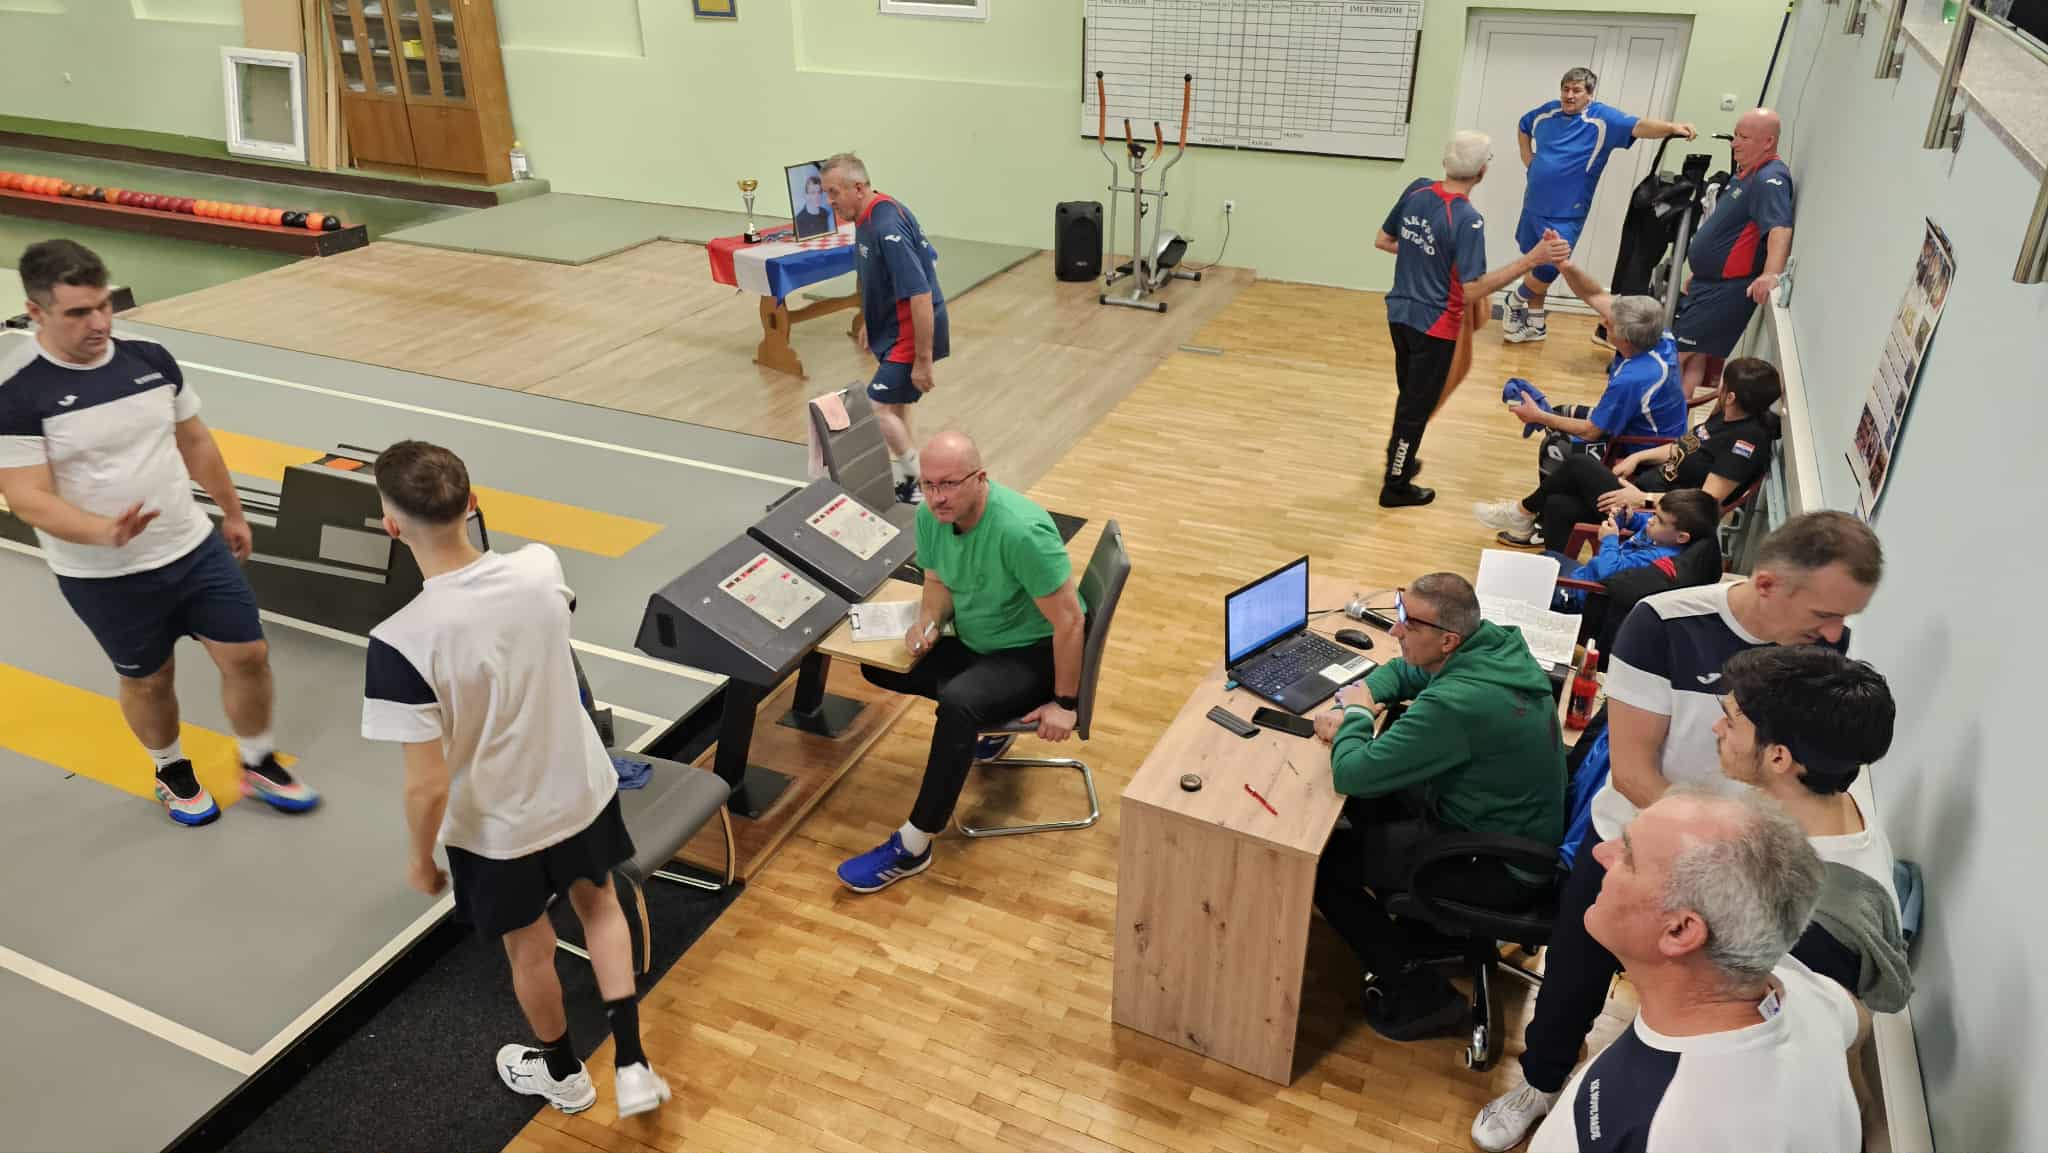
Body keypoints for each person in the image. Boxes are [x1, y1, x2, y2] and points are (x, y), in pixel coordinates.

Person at [1470, 511, 1884, 1152]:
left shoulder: (1822, 646)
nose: (1837, 635)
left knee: (1692, 1004)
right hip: (1641, 845)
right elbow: (1633, 771)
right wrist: (1708, 849)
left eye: (1845, 618)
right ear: (1769, 584)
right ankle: (1541, 1082)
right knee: (1573, 978)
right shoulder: (1663, 624)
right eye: (1826, 614)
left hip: (1731, 872)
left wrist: (1730, 868)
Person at [359, 440, 671, 1119]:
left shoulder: (398, 642)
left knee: (530, 949)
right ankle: (631, 1062)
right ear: (472, 504)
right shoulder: (540, 568)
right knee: (601, 906)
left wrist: (419, 858)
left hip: (498, 831)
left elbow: (426, 785)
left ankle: (564, 1074)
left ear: (391, 525)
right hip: (581, 791)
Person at [0, 239, 318, 826]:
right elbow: (25, 496)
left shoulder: (148, 358)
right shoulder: (17, 392)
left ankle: (256, 760)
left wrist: (232, 511)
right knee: (150, 681)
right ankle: (171, 772)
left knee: (248, 655)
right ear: (36, 311)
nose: (100, 323)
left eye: (104, 305)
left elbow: (193, 439)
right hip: (104, 574)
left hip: (191, 545)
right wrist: (102, 532)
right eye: (78, 313)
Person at [1526, 786, 1863, 1153]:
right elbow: (1858, 1018)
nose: (1601, 852)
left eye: (1629, 856)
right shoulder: (1803, 991)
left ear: (1680, 931)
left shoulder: (1657, 1128)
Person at [1310, 573, 1564, 1040]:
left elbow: (1352, 773)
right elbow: (1405, 670)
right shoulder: (1492, 647)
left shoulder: (1458, 703)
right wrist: (1363, 699)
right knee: (1368, 808)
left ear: (1448, 640)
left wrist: (1358, 714)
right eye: (1399, 612)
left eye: (1408, 623)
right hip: (1503, 823)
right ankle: (1426, 929)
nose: (1395, 630)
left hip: (1499, 865)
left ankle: (1422, 997)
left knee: (1325, 866)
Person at [836, 430, 1087, 892]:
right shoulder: (932, 517)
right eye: (929, 484)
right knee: (879, 665)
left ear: (980, 478)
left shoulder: (1020, 533)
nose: (938, 497)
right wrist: (928, 623)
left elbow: (1070, 622)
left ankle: (914, 844)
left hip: (1033, 653)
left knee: (958, 704)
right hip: (979, 639)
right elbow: (937, 582)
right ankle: (983, 722)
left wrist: (1065, 703)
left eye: (949, 484)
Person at [1375, 130, 1569, 508]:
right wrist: (1532, 259)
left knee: (1411, 399)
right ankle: (1395, 486)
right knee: (1415, 409)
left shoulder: (1416, 190)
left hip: (1399, 314)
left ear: (1445, 162)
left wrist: (1426, 256)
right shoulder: (1467, 219)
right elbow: (1470, 291)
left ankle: (1402, 460)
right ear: (1482, 172)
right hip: (1435, 327)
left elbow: (1384, 240)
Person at [1714, 646, 1910, 1011]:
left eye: (1730, 721)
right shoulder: (1834, 800)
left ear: (1778, 757)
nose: (1717, 728)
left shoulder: (1813, 927)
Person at [1476, 348, 1778, 550]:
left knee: (1578, 464)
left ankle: (1521, 512)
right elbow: (1682, 448)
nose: (1718, 389)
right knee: (1558, 504)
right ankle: (1558, 576)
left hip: (1653, 513)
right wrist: (1638, 456)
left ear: (1731, 396)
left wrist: (1643, 499)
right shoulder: (1725, 418)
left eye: (1723, 385)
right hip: (1637, 491)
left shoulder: (1744, 443)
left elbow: (1706, 502)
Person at [1503, 67, 1697, 344]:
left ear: (1589, 94)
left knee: (1550, 267)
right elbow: (1524, 125)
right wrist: (1528, 156)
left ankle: (1514, 299)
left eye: (1577, 90)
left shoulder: (1602, 120)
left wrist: (1671, 128)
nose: (1569, 95)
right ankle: (1535, 322)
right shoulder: (1546, 113)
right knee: (1536, 262)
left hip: (1567, 212)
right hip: (1533, 205)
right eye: (1566, 89)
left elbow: (1639, 126)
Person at [820, 153, 949, 505]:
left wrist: (923, 359)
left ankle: (919, 481)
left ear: (858, 188)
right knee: (895, 406)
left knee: (876, 410)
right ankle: (910, 482)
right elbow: (876, 278)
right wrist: (868, 318)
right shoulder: (867, 216)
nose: (830, 202)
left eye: (834, 192)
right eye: (827, 193)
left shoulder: (886, 226)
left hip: (910, 332)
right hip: (893, 327)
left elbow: (920, 293)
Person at [1671, 108, 1793, 403]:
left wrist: (1771, 274)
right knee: (1694, 356)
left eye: (1744, 138)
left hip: (1725, 291)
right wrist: (1701, 271)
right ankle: (1674, 422)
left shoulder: (1770, 179)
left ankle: (1661, 420)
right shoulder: (1746, 174)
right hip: (1709, 283)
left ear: (1768, 142)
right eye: (1735, 135)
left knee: (1674, 357)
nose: (1734, 143)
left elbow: (1779, 228)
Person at [1552, 488, 1720, 611]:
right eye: (1654, 514)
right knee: (1548, 557)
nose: (1651, 520)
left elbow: (1608, 574)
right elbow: (1644, 521)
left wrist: (1609, 539)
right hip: (1584, 574)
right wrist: (1630, 518)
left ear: (1681, 537)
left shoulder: (1655, 558)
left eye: (1659, 519)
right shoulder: (1662, 534)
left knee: (1538, 576)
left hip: (1580, 593)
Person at [792, 171, 834, 237]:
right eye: (813, 193)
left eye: (819, 192)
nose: (817, 196)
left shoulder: (825, 213)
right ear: (806, 195)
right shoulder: (799, 220)